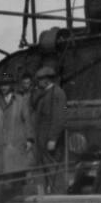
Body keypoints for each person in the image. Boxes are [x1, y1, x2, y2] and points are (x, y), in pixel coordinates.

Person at [0, 72, 35, 203]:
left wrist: (29, 139)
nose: (4, 87)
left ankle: (17, 200)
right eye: (1, 85)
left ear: (11, 85)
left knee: (17, 173)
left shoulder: (20, 101)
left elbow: (27, 120)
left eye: (6, 84)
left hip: (16, 142)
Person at [32, 66, 67, 194]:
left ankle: (59, 197)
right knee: (45, 169)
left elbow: (60, 117)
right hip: (42, 140)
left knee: (54, 170)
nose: (38, 82)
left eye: (40, 80)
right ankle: (47, 196)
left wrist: (53, 138)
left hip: (50, 140)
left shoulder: (57, 93)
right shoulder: (45, 94)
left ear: (47, 80)